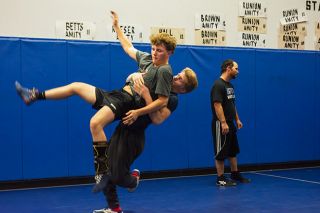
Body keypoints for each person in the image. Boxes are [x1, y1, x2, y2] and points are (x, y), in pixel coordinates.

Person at [15, 9, 181, 190]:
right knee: (76, 86)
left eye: (160, 51)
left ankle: (102, 172)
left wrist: (138, 111)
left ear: (170, 52)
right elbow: (128, 47)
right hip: (117, 94)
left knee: (95, 123)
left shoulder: (165, 71)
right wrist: (117, 27)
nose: (155, 53)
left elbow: (162, 102)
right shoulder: (148, 60)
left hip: (126, 101)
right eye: (154, 48)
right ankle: (34, 95)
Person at [210, 59, 250, 187]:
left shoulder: (230, 86)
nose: (237, 71)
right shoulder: (218, 85)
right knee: (221, 152)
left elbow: (232, 104)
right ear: (228, 68)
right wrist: (223, 122)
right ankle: (220, 178)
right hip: (221, 124)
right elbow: (217, 105)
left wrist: (237, 119)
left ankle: (234, 173)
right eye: (236, 68)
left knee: (233, 150)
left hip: (230, 123)